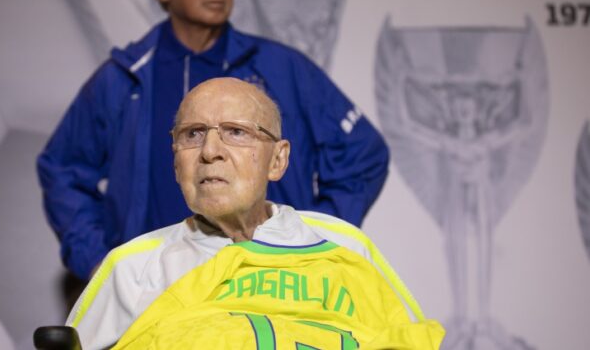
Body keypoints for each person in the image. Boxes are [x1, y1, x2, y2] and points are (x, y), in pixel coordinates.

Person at [37, 0, 389, 280]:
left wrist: (311, 239)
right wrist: (98, 260)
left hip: (266, 287)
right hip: (157, 292)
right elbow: (63, 168)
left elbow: (363, 154)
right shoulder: (124, 78)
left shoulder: (282, 67)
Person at [66, 78, 443, 349]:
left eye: (235, 132)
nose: (210, 150)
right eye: (193, 134)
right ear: (176, 162)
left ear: (277, 160)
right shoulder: (133, 268)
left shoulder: (344, 246)